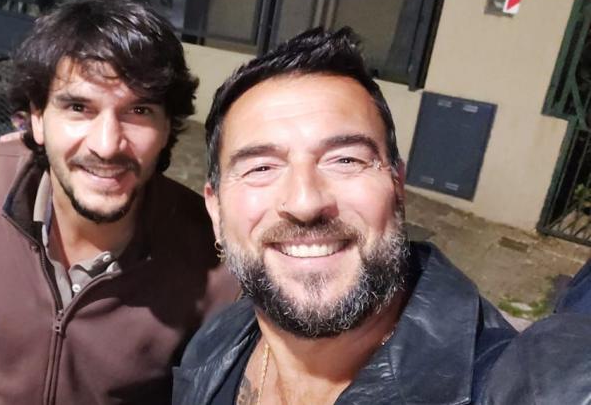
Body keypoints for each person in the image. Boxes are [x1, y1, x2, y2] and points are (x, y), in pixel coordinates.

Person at [173, 28, 518, 405]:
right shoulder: (214, 343)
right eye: (261, 168)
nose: (305, 202)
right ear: (216, 209)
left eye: (346, 160)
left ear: (397, 186)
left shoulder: (502, 385)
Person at [0, 0, 239, 405]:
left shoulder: (213, 259)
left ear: (167, 128)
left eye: (139, 110)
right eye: (78, 107)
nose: (107, 145)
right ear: (37, 118)